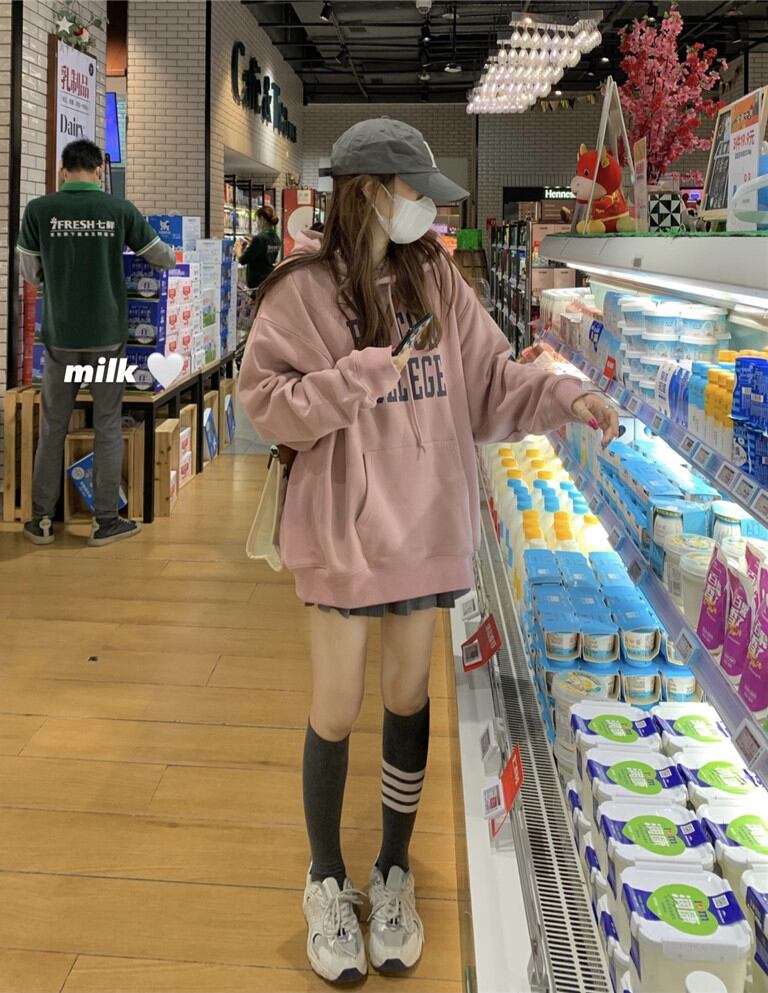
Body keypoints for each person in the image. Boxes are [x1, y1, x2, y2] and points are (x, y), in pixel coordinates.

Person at [239, 119, 618, 984]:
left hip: (427, 523)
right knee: (336, 705)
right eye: (416, 193)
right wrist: (356, 377)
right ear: (371, 192)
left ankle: (393, 870)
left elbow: (490, 384)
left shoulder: (437, 278)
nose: (428, 211)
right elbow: (265, 402)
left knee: (406, 698)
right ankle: (325, 878)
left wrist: (566, 393)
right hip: (342, 530)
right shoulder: (300, 291)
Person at [17, 138, 176, 546]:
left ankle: (41, 520)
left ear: (63, 169)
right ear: (99, 171)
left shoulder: (39, 210)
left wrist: (57, 281)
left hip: (60, 337)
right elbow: (161, 257)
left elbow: (29, 270)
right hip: (107, 337)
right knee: (107, 422)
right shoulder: (118, 209)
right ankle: (105, 521)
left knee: (53, 425)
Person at [236, 204, 281, 291]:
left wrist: (238, 248)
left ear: (262, 219)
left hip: (257, 282)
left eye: (257, 219)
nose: (257, 222)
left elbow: (242, 260)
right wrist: (252, 243)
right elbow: (265, 252)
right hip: (268, 279)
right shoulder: (276, 238)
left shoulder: (260, 238)